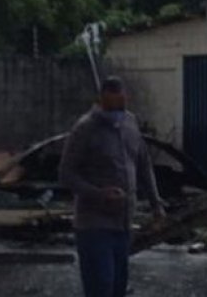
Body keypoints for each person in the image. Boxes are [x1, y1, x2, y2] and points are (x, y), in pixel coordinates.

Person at [60, 76, 165, 297]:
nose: (117, 111)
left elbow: (144, 165)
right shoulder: (85, 128)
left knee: (118, 286)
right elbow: (67, 174)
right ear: (101, 100)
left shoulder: (130, 123)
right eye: (112, 104)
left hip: (124, 223)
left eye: (121, 102)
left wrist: (156, 205)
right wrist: (99, 194)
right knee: (101, 286)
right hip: (93, 224)